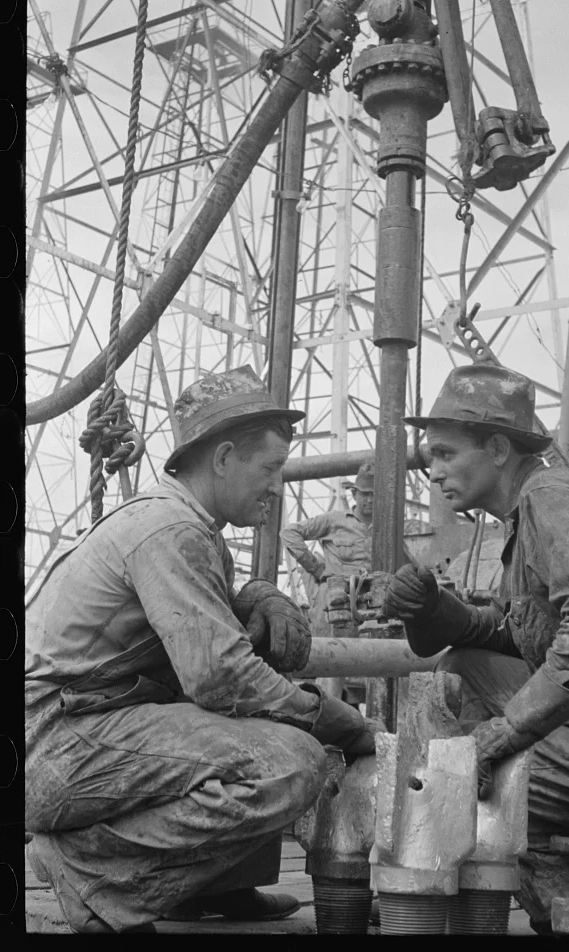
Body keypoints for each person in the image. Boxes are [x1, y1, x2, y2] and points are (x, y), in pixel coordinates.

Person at [25, 366, 378, 934]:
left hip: (80, 732)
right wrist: (328, 717)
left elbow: (193, 643)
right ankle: (88, 870)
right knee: (289, 761)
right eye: (269, 469)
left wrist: (252, 601)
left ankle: (209, 888)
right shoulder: (171, 530)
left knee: (251, 727)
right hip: (57, 744)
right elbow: (219, 677)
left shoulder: (195, 531)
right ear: (222, 459)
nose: (276, 486)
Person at [383, 363, 569, 933]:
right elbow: (523, 631)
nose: (434, 472)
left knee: (451, 778)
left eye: (447, 454)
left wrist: (499, 737)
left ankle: (546, 883)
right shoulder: (528, 514)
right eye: (432, 459)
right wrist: (438, 612)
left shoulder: (551, 497)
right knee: (462, 668)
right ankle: (525, 872)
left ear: (498, 447)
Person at [281, 461, 410, 638]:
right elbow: (289, 533)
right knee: (335, 657)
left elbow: (408, 564)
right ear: (354, 494)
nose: (370, 500)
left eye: (374, 495)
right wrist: (316, 568)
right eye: (365, 495)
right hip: (337, 605)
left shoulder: (387, 528)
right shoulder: (334, 521)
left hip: (376, 606)